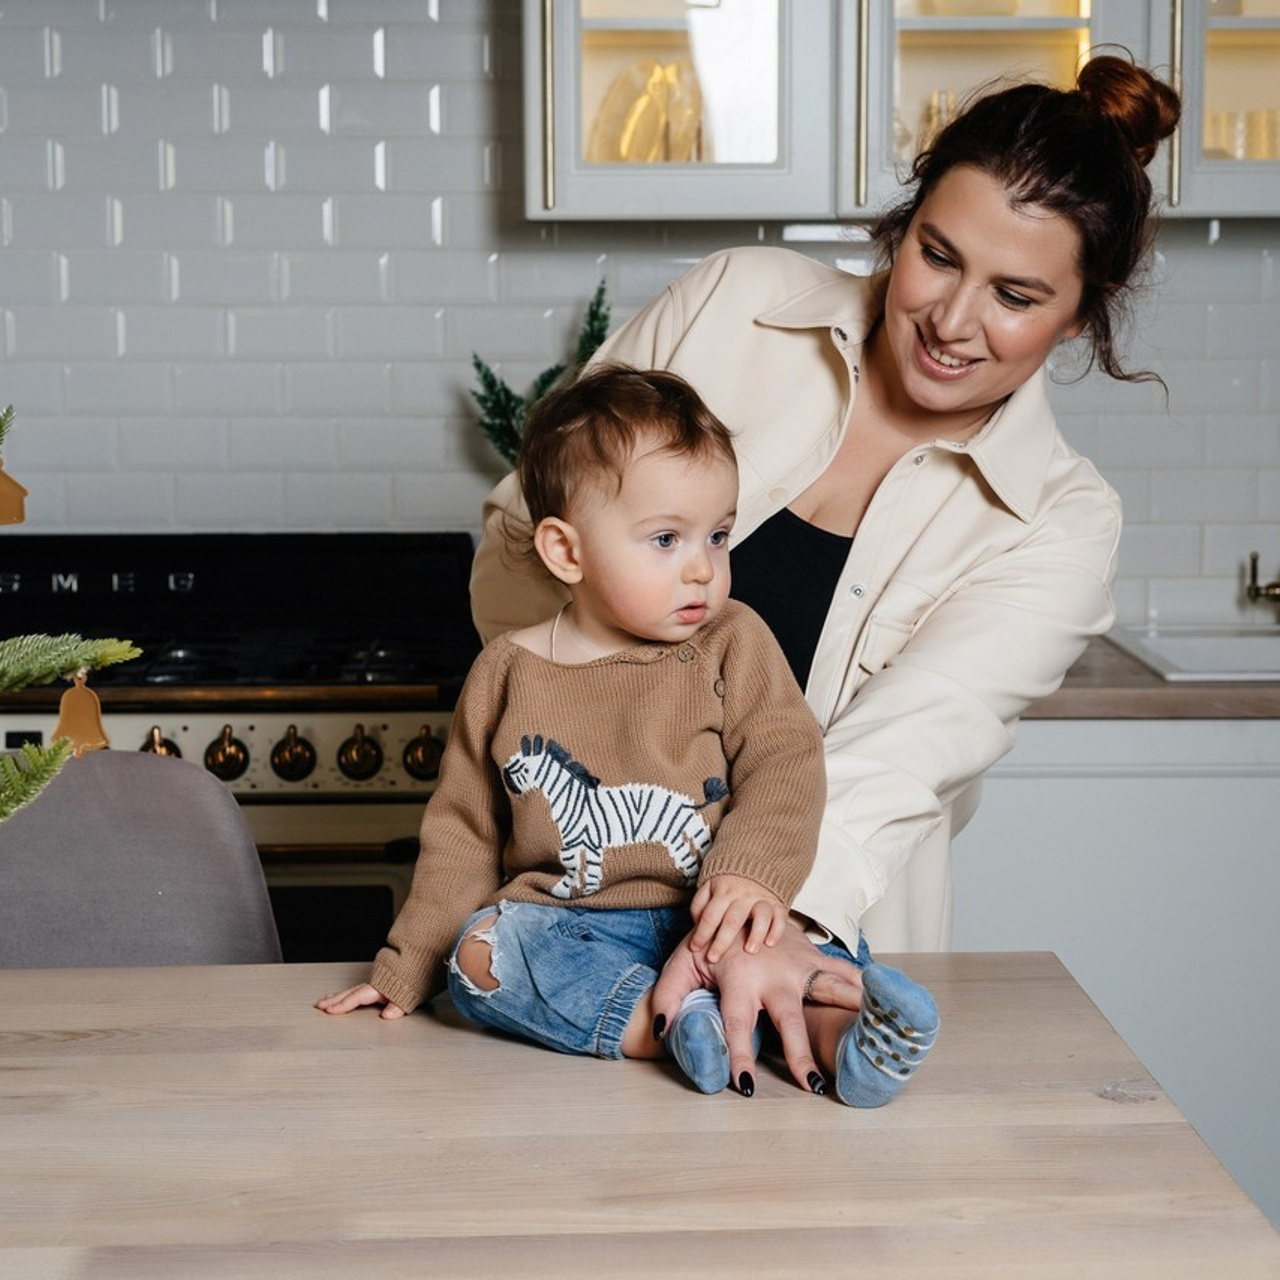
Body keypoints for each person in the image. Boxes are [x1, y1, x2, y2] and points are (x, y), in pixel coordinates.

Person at [469, 53, 1180, 1096]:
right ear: (900, 225)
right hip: (562, 911)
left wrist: (745, 918)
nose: (949, 319)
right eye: (936, 255)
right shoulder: (736, 305)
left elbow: (894, 757)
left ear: (1078, 313)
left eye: (1016, 295)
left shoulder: (1059, 522)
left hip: (790, 953)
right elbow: (513, 544)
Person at [318, 365, 939, 1105]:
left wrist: (751, 875)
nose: (703, 569)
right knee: (483, 954)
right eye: (666, 539)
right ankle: (665, 1023)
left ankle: (849, 1045)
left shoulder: (732, 641)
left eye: (718, 535)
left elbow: (785, 758)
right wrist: (404, 969)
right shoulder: (507, 672)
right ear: (566, 552)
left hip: (719, 909)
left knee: (795, 944)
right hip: (577, 928)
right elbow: (463, 836)